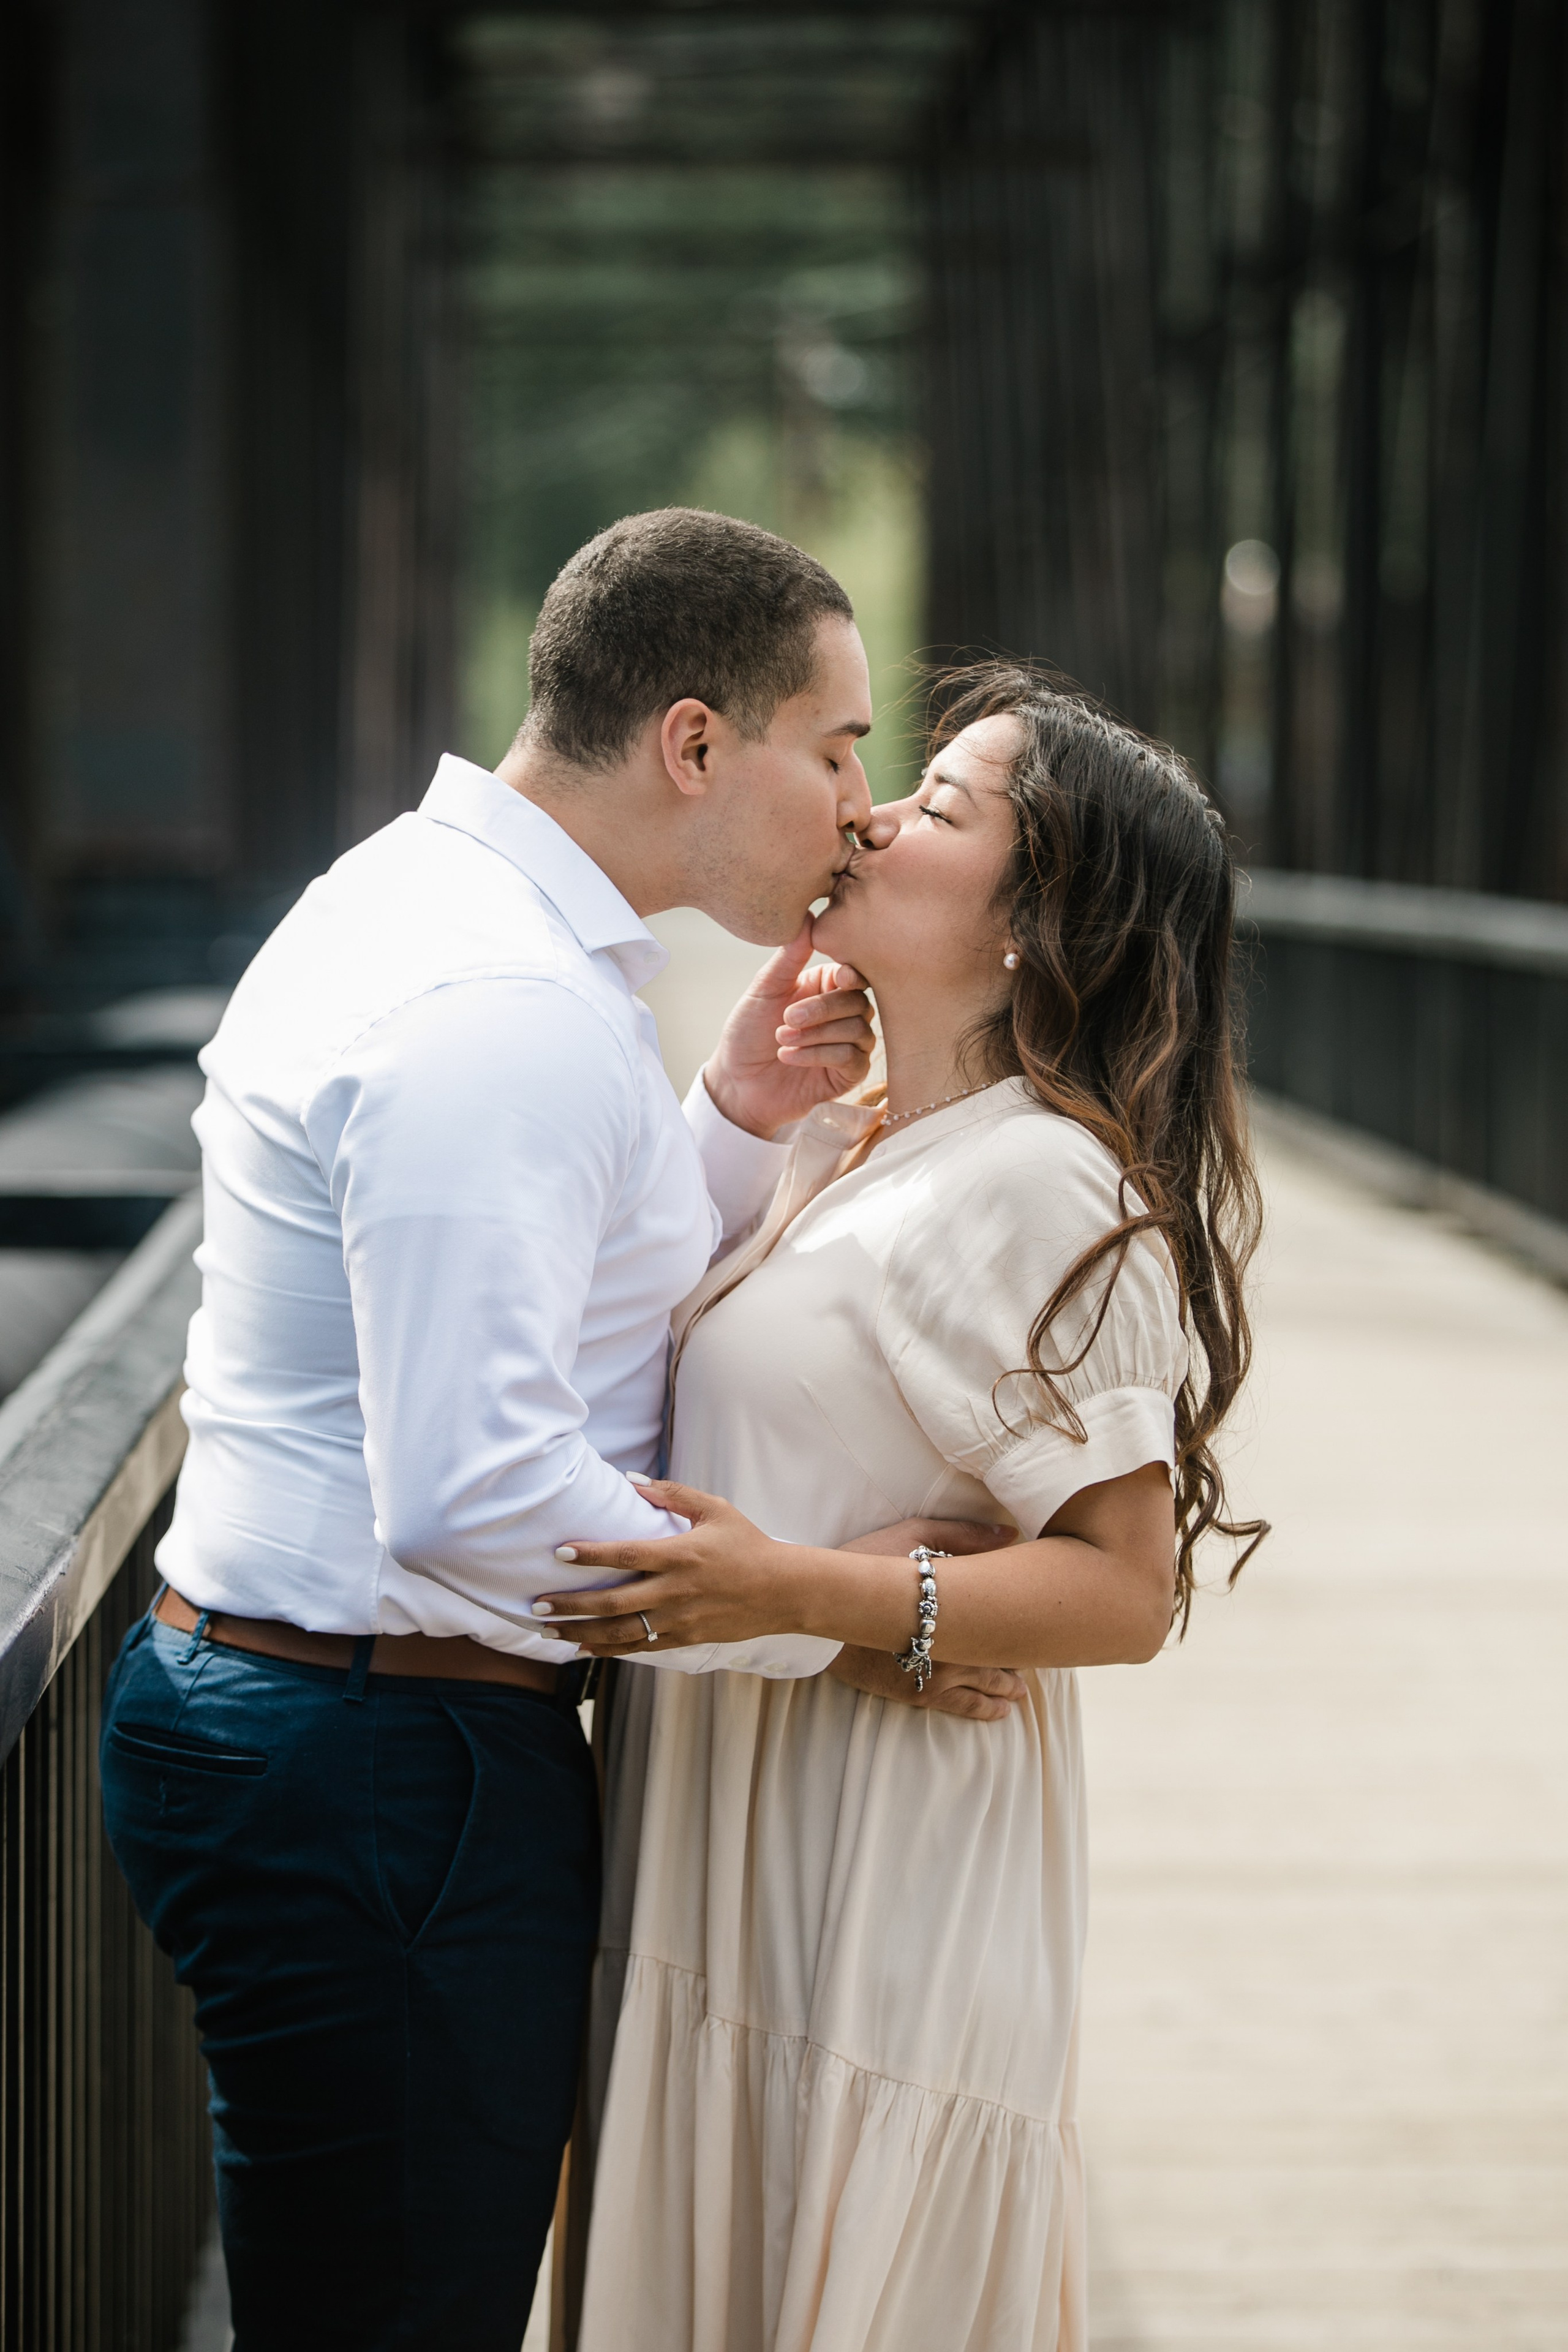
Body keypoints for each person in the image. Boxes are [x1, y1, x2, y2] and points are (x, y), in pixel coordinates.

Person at [97, 510, 1014, 2352]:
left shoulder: (453, 914)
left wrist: (730, 1117)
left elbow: (529, 1301)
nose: (862, 802)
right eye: (836, 746)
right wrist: (833, 1614)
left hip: (350, 1725)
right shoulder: (499, 1004)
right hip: (385, 1754)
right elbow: (477, 1488)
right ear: (694, 743)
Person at [545, 665, 1267, 2352]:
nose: (868, 811)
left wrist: (816, 1596)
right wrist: (743, 1112)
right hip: (730, 1825)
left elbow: (1123, 1591)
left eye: (940, 806)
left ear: (1039, 920)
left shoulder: (1045, 1182)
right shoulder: (858, 1142)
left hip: (878, 1865)